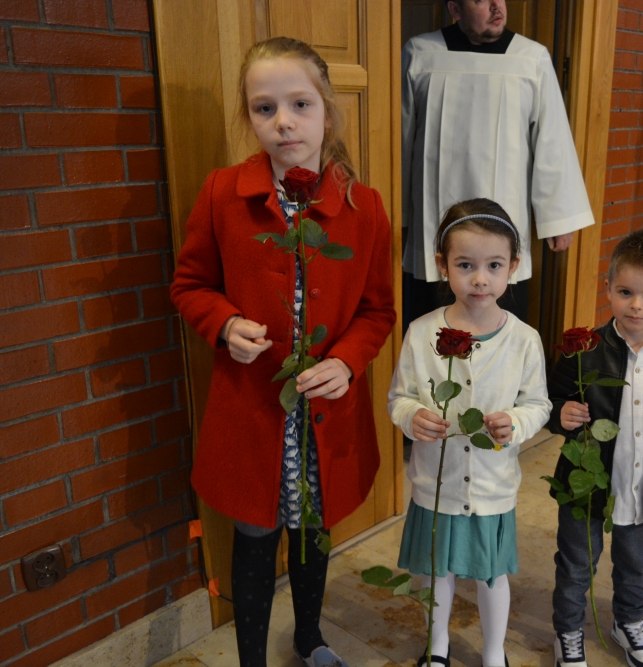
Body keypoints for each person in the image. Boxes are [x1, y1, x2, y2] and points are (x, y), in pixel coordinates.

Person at [170, 37, 395, 667]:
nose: (283, 122)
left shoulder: (363, 206)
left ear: (327, 109)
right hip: (254, 412)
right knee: (254, 534)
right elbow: (189, 285)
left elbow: (378, 310)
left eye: (300, 104)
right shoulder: (222, 194)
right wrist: (224, 324)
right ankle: (251, 657)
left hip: (325, 415)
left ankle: (309, 637)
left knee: (312, 529)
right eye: (264, 108)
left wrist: (347, 361)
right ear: (249, 117)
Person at [388, 198, 552, 667]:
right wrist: (412, 417)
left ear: (513, 267)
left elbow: (538, 404)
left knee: (491, 575)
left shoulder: (524, 340)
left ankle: (494, 651)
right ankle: (437, 645)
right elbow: (399, 397)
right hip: (435, 484)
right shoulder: (421, 333)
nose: (480, 279)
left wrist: (515, 423)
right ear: (443, 265)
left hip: (491, 485)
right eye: (465, 265)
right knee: (437, 571)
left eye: (493, 265)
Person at [547, 228, 643, 667]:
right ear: (609, 288)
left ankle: (629, 620)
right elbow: (548, 401)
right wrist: (559, 414)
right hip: (584, 486)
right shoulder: (583, 351)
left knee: (635, 563)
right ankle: (568, 632)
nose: (637, 305)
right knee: (576, 564)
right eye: (626, 292)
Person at [401, 0, 594, 326]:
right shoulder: (421, 54)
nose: (496, 7)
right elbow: (401, 138)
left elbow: (552, 139)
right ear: (455, 8)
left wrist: (559, 217)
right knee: (433, 327)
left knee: (500, 327)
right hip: (433, 216)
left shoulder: (531, 58)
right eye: (481, 0)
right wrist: (397, 215)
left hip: (506, 210)